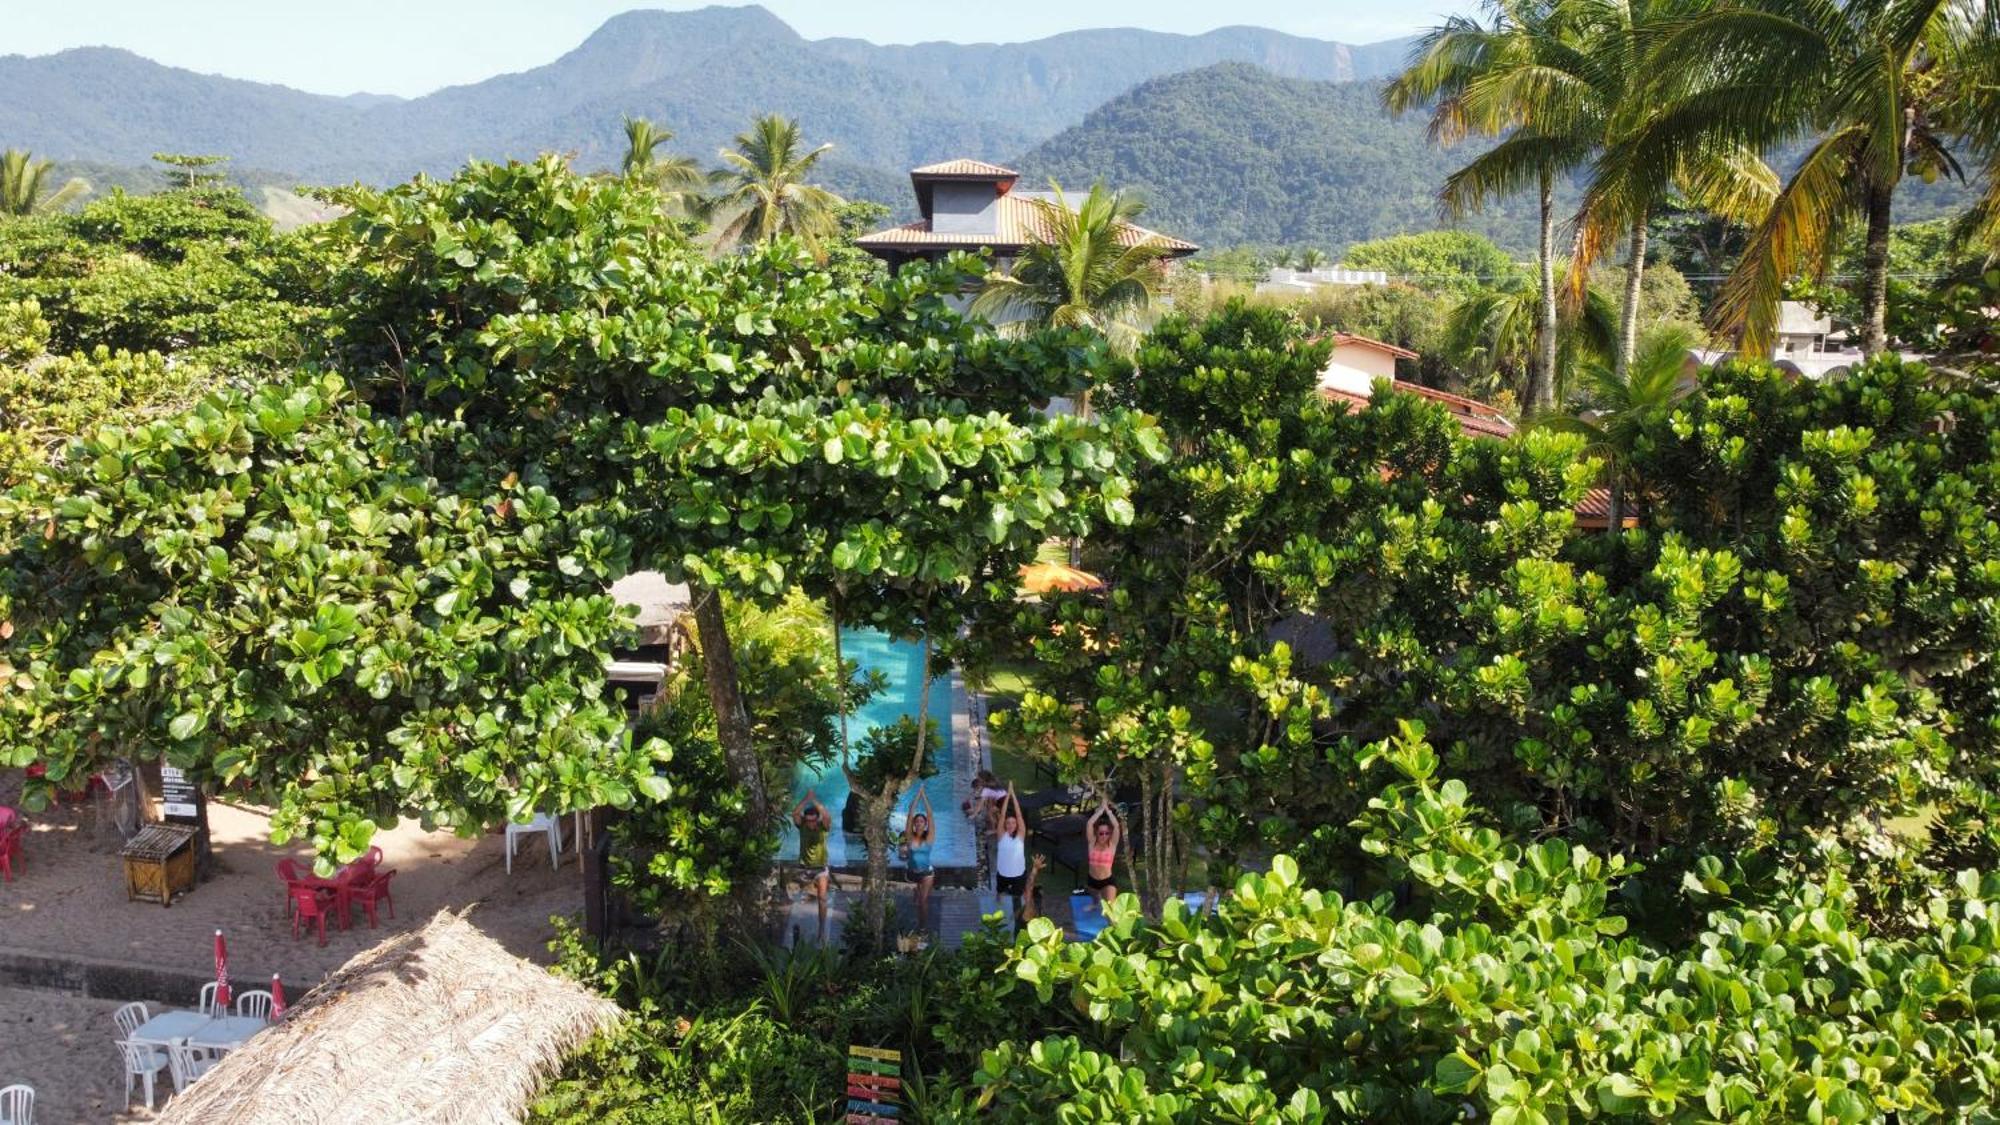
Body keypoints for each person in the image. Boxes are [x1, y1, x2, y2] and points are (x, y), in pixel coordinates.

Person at [792, 790, 832, 940]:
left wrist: (814, 800)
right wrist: (806, 799)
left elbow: (827, 816)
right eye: (808, 820)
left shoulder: (824, 827)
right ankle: (798, 930)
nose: (810, 823)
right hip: (804, 867)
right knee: (798, 898)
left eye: (813, 820)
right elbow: (795, 813)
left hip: (820, 868)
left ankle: (821, 929)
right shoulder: (802, 825)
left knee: (822, 899)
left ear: (817, 819)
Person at [992, 782, 1029, 928]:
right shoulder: (1001, 835)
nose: (1011, 825)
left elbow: (1019, 815)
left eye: (1013, 823)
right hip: (1003, 873)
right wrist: (1007, 797)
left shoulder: (1021, 835)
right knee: (1000, 891)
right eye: (1008, 823)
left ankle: (1016, 914)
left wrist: (1013, 795)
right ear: (1005, 825)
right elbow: (1002, 815)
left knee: (1017, 895)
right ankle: (998, 901)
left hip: (1018, 874)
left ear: (1017, 825)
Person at [900, 785, 937, 933]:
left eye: (922, 821)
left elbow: (930, 814)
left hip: (927, 873)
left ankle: (922, 927)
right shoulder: (910, 837)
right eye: (917, 821)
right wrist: (917, 796)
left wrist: (923, 795)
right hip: (912, 872)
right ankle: (917, 891)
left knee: (923, 901)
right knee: (917, 891)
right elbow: (910, 815)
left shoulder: (929, 837)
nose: (919, 823)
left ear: (925, 823)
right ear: (914, 825)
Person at [1085, 797, 1123, 903]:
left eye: (1107, 833)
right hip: (1092, 880)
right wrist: (1100, 810)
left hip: (1107, 881)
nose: (1104, 836)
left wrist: (1108, 811)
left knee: (1111, 907)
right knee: (1095, 902)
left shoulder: (1112, 845)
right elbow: (1089, 824)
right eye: (1101, 833)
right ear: (1096, 833)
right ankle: (1095, 902)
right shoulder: (1092, 843)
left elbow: (1116, 826)